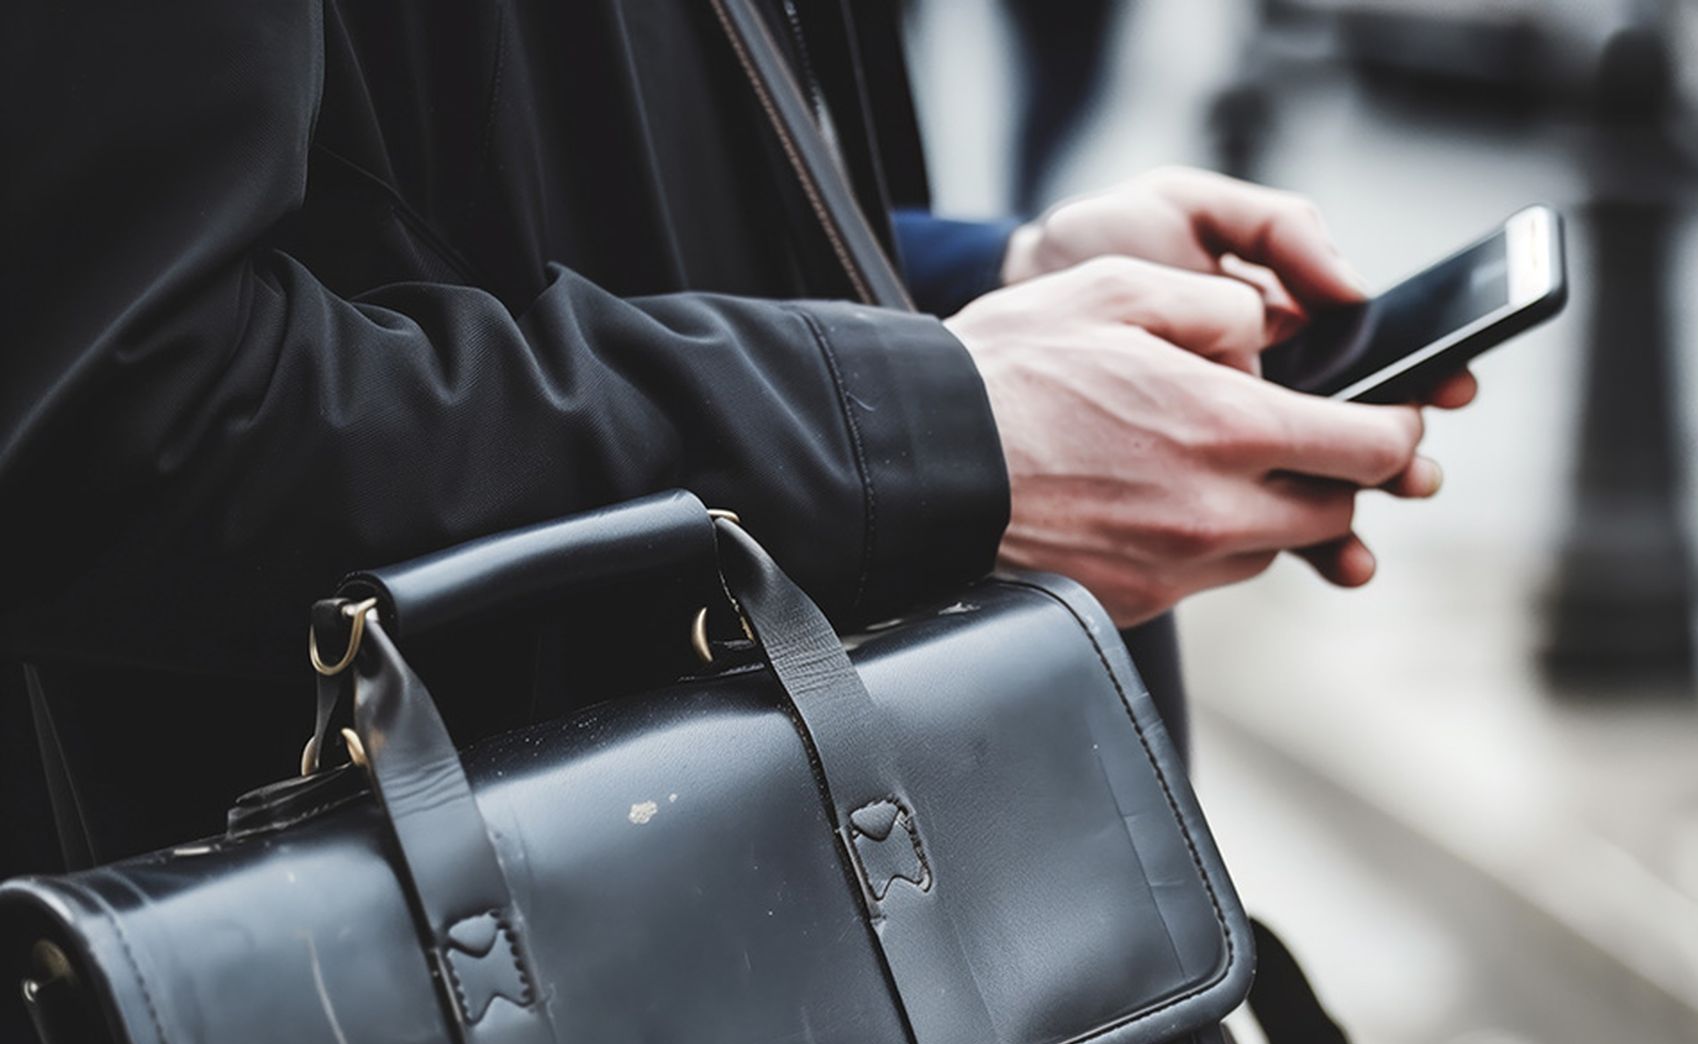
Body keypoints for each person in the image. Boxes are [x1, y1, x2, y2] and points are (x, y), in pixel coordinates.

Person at [0, 1, 1469, 874]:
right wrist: (928, 426)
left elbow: (549, 199)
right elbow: (122, 420)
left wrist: (980, 290)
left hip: (722, 920)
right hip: (466, 1041)